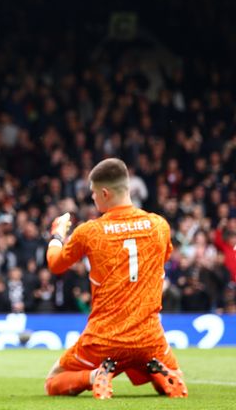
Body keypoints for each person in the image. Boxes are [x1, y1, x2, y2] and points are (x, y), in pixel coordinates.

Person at [44, 158, 188, 399]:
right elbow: (163, 258)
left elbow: (55, 264)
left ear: (104, 193)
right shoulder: (159, 225)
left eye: (93, 194)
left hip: (103, 340)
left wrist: (58, 234)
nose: (92, 198)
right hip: (148, 338)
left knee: (52, 380)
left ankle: (94, 376)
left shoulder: (90, 231)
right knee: (176, 374)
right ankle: (161, 375)